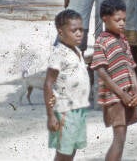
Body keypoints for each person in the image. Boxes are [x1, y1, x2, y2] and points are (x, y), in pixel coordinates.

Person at [91, 0, 137, 161]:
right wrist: (122, 94)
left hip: (127, 95)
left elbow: (130, 66)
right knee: (119, 138)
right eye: (117, 20)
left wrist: (136, 90)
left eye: (124, 20)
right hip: (114, 97)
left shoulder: (123, 39)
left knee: (122, 137)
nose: (122, 23)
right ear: (105, 18)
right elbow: (102, 72)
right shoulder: (102, 41)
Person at [44, 10, 90, 161]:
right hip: (65, 110)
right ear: (61, 32)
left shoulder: (76, 50)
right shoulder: (59, 54)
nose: (79, 34)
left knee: (72, 148)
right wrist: (51, 115)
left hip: (78, 108)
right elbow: (48, 84)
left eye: (81, 30)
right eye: (74, 30)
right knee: (63, 152)